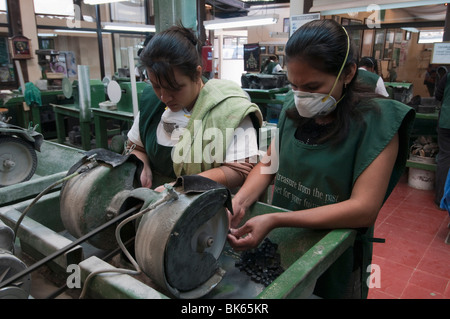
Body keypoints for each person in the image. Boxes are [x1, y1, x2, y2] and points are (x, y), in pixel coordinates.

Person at [227, 19, 415, 299]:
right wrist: (239, 201)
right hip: (285, 245)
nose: (303, 96)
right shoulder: (294, 109)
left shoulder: (376, 123)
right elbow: (269, 164)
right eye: (295, 85)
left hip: (334, 253)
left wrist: (276, 219)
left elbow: (363, 208)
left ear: (348, 73)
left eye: (314, 86)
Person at [126, 25, 263, 190]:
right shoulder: (151, 102)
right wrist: (142, 165)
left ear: (197, 74)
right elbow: (137, 147)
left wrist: (179, 187)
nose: (164, 97)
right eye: (156, 86)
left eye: (174, 88)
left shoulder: (229, 108)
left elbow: (239, 169)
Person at [434, 69, 450, 206]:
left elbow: (438, 95)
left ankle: (441, 198)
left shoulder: (448, 76)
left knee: (445, 158)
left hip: (446, 120)